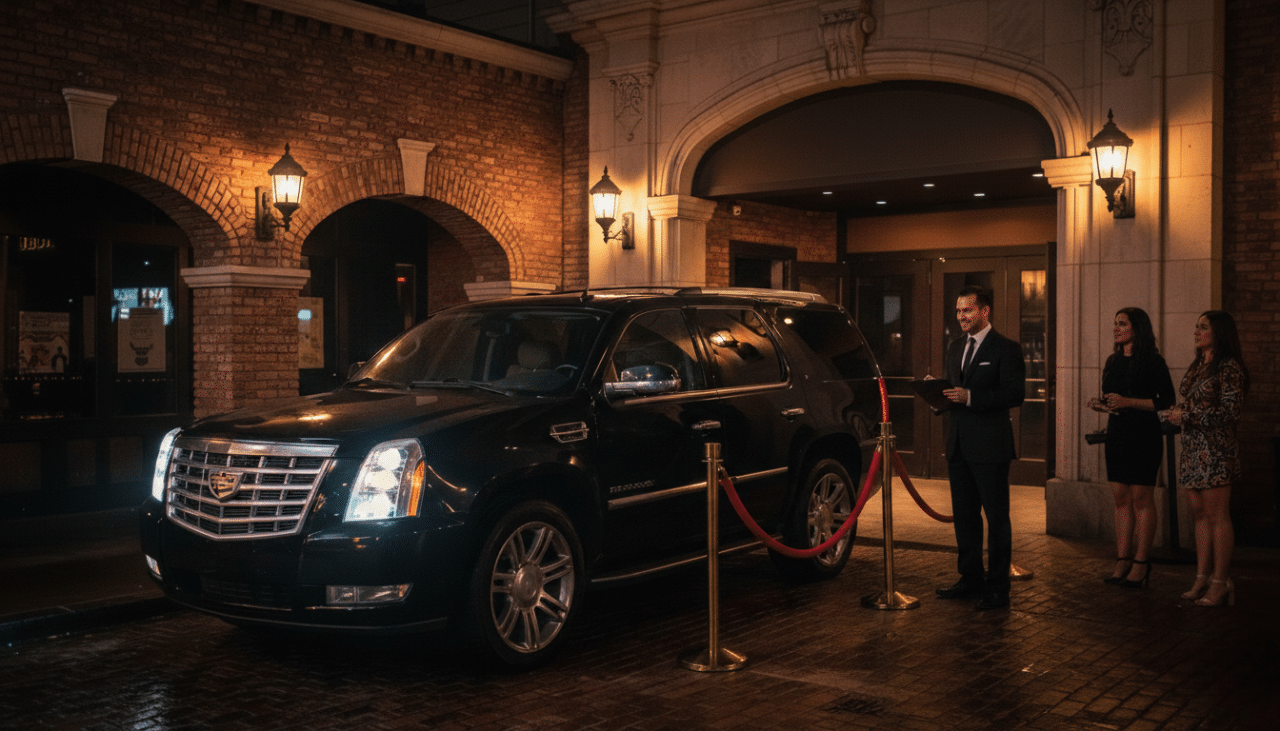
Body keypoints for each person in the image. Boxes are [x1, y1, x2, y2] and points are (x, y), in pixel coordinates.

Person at [933, 284, 1026, 610]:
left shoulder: (1006, 349)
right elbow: (953, 390)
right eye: (958, 311)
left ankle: (998, 588)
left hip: (990, 446)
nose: (961, 316)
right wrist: (937, 397)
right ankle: (970, 578)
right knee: (964, 517)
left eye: (967, 310)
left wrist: (970, 397)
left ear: (985, 311)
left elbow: (1014, 394)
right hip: (958, 444)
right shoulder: (955, 346)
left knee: (997, 518)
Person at [1161, 310, 1248, 607]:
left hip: (1215, 450)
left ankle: (1221, 581)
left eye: (1203, 327)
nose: (1196, 332)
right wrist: (1175, 413)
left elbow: (1229, 412)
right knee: (1199, 514)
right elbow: (1192, 401)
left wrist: (1187, 414)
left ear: (1219, 333)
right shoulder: (1200, 364)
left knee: (1217, 515)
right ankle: (1202, 576)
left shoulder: (1229, 367)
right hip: (1192, 449)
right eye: (1196, 326)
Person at [1087, 308, 1175, 588]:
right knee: (1120, 498)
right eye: (1115, 323)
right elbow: (1111, 398)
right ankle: (1122, 559)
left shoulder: (1153, 361)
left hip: (1143, 435)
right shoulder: (1113, 361)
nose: (1116, 328)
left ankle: (1141, 562)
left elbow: (1166, 401)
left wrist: (1128, 402)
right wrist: (1101, 404)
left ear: (1137, 328)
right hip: (1118, 434)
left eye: (1122, 323)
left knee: (1141, 498)